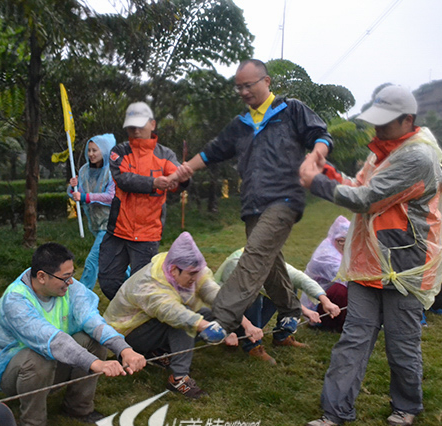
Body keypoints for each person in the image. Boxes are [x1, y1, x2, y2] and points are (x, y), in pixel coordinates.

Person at [299, 85, 442, 426]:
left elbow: (367, 199)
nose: (378, 129)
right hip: (371, 264)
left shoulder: (416, 158)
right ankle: (335, 410)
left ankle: (406, 405)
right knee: (353, 339)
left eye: (386, 122)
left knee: (401, 344)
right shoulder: (382, 153)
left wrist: (316, 184)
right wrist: (328, 172)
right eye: (376, 121)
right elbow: (359, 185)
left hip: (405, 265)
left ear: (408, 120)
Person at [167, 59, 333, 342]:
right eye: (239, 87)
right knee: (268, 260)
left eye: (249, 85)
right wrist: (184, 169)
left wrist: (316, 153)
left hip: (285, 199)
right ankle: (290, 309)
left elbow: (320, 134)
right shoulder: (240, 124)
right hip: (253, 203)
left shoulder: (290, 110)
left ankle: (222, 318)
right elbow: (212, 152)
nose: (243, 92)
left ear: (266, 82)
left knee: (254, 256)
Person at [0, 243, 146, 426]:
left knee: (94, 342)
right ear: (42, 276)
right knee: (39, 358)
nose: (70, 281)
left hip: (52, 358)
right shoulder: (16, 300)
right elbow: (52, 341)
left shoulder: (71, 287)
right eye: (65, 277)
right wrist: (96, 364)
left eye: (71, 275)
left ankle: (79, 408)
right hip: (13, 371)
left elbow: (93, 321)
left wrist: (124, 349)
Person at [103, 232, 262, 399]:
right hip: (126, 335)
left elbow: (216, 296)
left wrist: (246, 324)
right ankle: (178, 379)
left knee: (208, 315)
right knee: (187, 322)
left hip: (152, 324)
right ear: (173, 270)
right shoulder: (149, 285)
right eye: (191, 275)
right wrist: (217, 329)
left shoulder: (188, 268)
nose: (195, 278)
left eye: (197, 273)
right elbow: (177, 315)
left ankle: (159, 352)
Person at [98, 102, 188, 300]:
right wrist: (154, 182)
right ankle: (127, 307)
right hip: (118, 231)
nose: (136, 130)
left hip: (147, 234)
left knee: (143, 287)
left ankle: (139, 322)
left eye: (140, 124)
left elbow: (176, 180)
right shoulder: (119, 152)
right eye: (131, 125)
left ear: (152, 124)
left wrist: (183, 178)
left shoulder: (165, 155)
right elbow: (123, 179)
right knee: (108, 280)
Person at [214, 248, 340, 364]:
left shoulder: (270, 259)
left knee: (287, 283)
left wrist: (325, 301)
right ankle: (252, 345)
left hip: (245, 314)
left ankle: (282, 337)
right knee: (256, 296)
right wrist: (303, 310)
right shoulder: (236, 266)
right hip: (226, 319)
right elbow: (226, 304)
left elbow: (300, 278)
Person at [67, 133, 117, 291]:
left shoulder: (112, 172)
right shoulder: (84, 170)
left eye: (95, 150)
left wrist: (85, 196)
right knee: (112, 262)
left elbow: (111, 197)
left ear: (104, 150)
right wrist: (72, 187)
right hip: (95, 224)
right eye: (89, 150)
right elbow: (77, 194)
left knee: (92, 261)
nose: (91, 154)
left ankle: (80, 298)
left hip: (110, 225)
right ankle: (133, 288)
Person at [301, 215, 350, 332]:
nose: (344, 244)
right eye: (340, 240)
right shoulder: (327, 256)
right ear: (334, 239)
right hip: (316, 307)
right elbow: (348, 278)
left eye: (348, 240)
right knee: (341, 289)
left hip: (325, 300)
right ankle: (333, 325)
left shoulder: (336, 246)